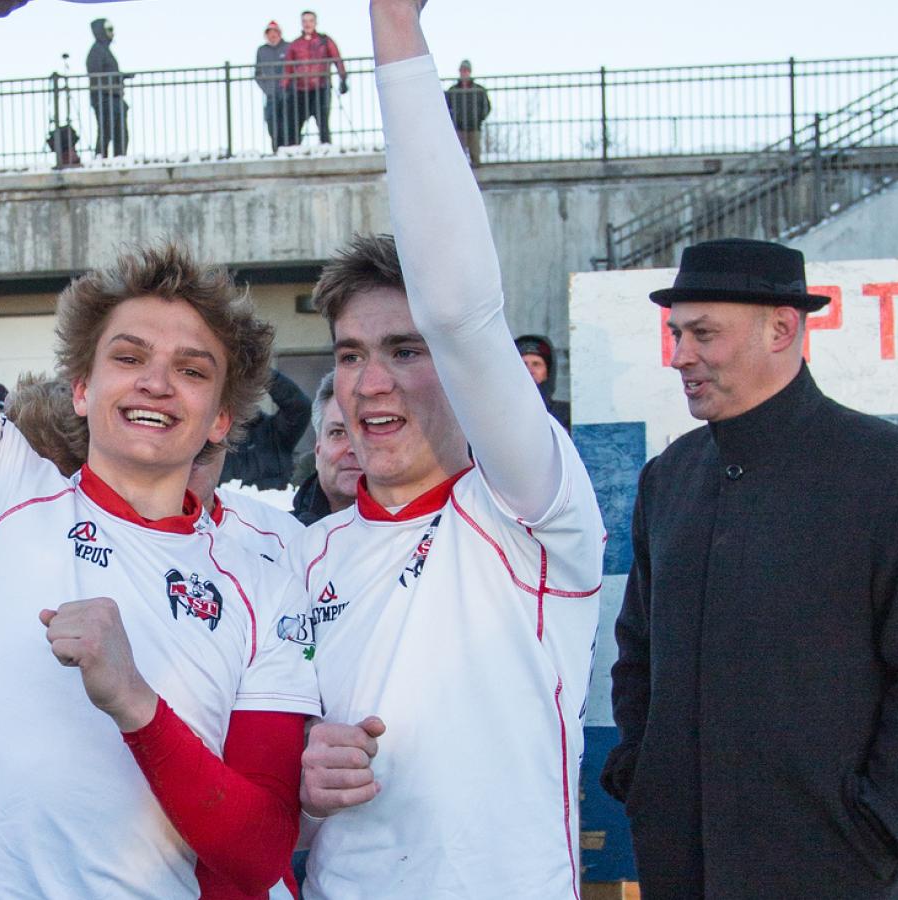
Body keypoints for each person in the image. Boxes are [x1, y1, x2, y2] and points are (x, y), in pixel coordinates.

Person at [0, 7, 321, 897]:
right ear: (81, 389)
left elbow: (261, 847)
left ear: (223, 417)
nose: (156, 382)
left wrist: (135, 705)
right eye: (128, 358)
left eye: (191, 370)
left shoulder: (268, 573)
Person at [293, 3, 606, 897]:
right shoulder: (306, 554)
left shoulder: (528, 512)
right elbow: (281, 789)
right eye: (351, 355)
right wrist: (308, 785)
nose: (371, 382)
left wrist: (392, 27)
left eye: (406, 350)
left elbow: (465, 312)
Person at [603, 238, 898, 899]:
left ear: (780, 328)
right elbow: (639, 653)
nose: (680, 356)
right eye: (675, 333)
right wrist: (643, 779)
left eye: (702, 333)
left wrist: (892, 826)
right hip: (682, 867)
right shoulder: (671, 478)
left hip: (846, 873)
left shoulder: (897, 474)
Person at [221, 369, 312, 490]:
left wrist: (259, 370)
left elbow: (299, 407)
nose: (240, 400)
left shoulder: (274, 431)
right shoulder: (213, 438)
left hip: (274, 506)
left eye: (246, 392)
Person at [290, 371, 360, 525]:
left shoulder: (421, 539)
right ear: (317, 449)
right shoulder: (277, 539)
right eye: (338, 433)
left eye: (368, 431)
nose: (353, 449)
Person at [283, 10, 348, 145]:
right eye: (305, 21)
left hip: (321, 87)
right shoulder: (295, 44)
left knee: (323, 122)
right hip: (300, 89)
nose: (308, 24)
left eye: (310, 21)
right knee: (296, 122)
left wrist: (343, 78)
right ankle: (294, 149)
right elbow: (288, 68)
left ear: (315, 22)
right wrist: (284, 86)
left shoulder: (324, 40)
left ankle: (326, 148)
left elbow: (337, 59)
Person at [86, 18, 130, 159]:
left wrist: (121, 77)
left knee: (121, 133)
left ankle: (119, 158)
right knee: (106, 131)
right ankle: (101, 159)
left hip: (114, 97)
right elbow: (97, 76)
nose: (112, 33)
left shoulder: (104, 51)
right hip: (104, 98)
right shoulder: (97, 51)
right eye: (109, 29)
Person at [515, 333, 571, 431]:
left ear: (548, 372)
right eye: (523, 364)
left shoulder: (566, 415)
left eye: (536, 364)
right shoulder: (499, 414)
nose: (529, 371)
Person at [444, 58, 491, 166]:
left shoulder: (479, 90)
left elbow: (486, 107)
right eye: (462, 70)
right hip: (458, 128)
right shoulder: (453, 90)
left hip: (474, 127)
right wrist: (453, 120)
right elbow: (446, 107)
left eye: (466, 70)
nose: (464, 73)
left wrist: (478, 118)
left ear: (470, 72)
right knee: (458, 158)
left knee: (475, 156)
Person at [257, 21, 294, 150]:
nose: (272, 35)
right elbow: (258, 73)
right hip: (271, 94)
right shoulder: (262, 51)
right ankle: (276, 149)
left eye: (275, 32)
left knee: (288, 122)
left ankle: (290, 148)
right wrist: (267, 88)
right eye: (269, 33)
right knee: (272, 122)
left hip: (288, 93)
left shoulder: (289, 47)